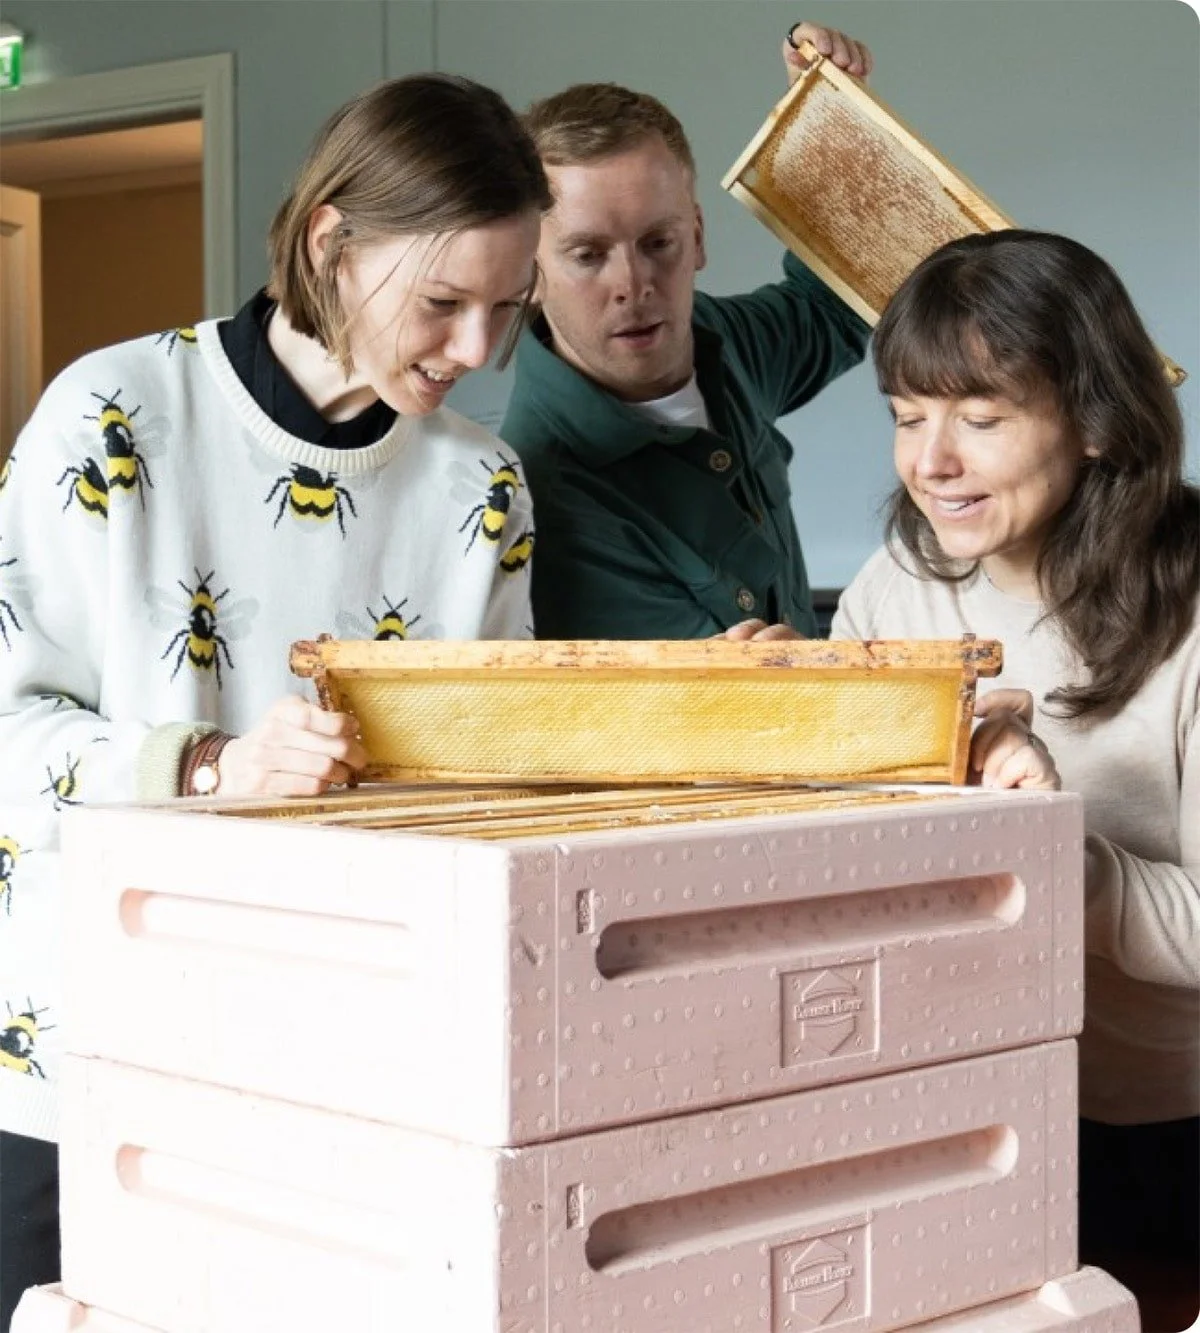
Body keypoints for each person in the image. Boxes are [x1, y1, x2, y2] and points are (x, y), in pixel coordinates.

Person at [0, 72, 549, 1325]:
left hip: (347, 1083)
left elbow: (488, 782)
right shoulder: (111, 414)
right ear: (331, 242)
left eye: (506, 311)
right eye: (444, 302)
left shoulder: (487, 488)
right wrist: (207, 768)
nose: (474, 352)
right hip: (78, 1059)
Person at [831, 229, 1199, 1326]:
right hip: (973, 1115)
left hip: (1174, 1132)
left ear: (1094, 421)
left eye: (981, 420)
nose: (931, 461)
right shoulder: (899, 582)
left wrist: (1051, 856)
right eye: (907, 416)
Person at [501, 23, 873, 640]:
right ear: (527, 271)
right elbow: (692, 720)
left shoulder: (723, 340)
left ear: (697, 237)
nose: (633, 283)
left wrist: (829, 125)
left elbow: (833, 303)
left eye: (658, 243)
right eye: (588, 255)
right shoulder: (543, 498)